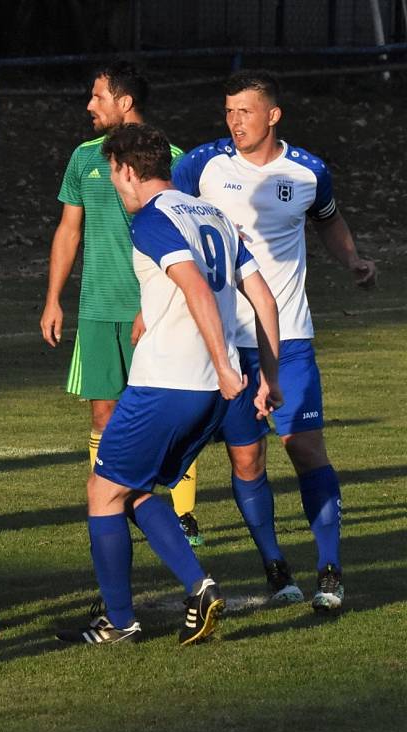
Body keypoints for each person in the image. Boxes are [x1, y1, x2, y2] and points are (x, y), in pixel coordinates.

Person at [56, 123, 281, 646]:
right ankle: (196, 587)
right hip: (208, 392)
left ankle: (120, 619)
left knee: (102, 490)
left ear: (129, 170)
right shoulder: (212, 214)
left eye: (114, 174)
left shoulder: (152, 219)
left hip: (167, 382)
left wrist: (227, 367)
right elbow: (263, 298)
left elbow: (196, 288)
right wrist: (267, 377)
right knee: (130, 489)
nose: (115, 186)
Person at [173, 70, 376, 610]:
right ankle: (274, 565)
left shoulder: (308, 172)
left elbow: (328, 220)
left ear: (273, 115)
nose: (234, 121)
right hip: (226, 340)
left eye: (245, 111)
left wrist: (351, 257)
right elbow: (165, 221)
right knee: (247, 460)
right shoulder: (202, 165)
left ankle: (330, 569)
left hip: (289, 338)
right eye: (229, 110)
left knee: (305, 448)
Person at [39, 61, 204, 546]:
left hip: (154, 308)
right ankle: (109, 502)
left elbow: (187, 232)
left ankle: (182, 512)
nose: (89, 106)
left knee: (167, 409)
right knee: (103, 413)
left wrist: (153, 306)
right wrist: (53, 299)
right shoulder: (84, 157)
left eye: (98, 97)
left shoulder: (174, 158)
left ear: (124, 102)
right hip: (96, 307)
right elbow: (69, 229)